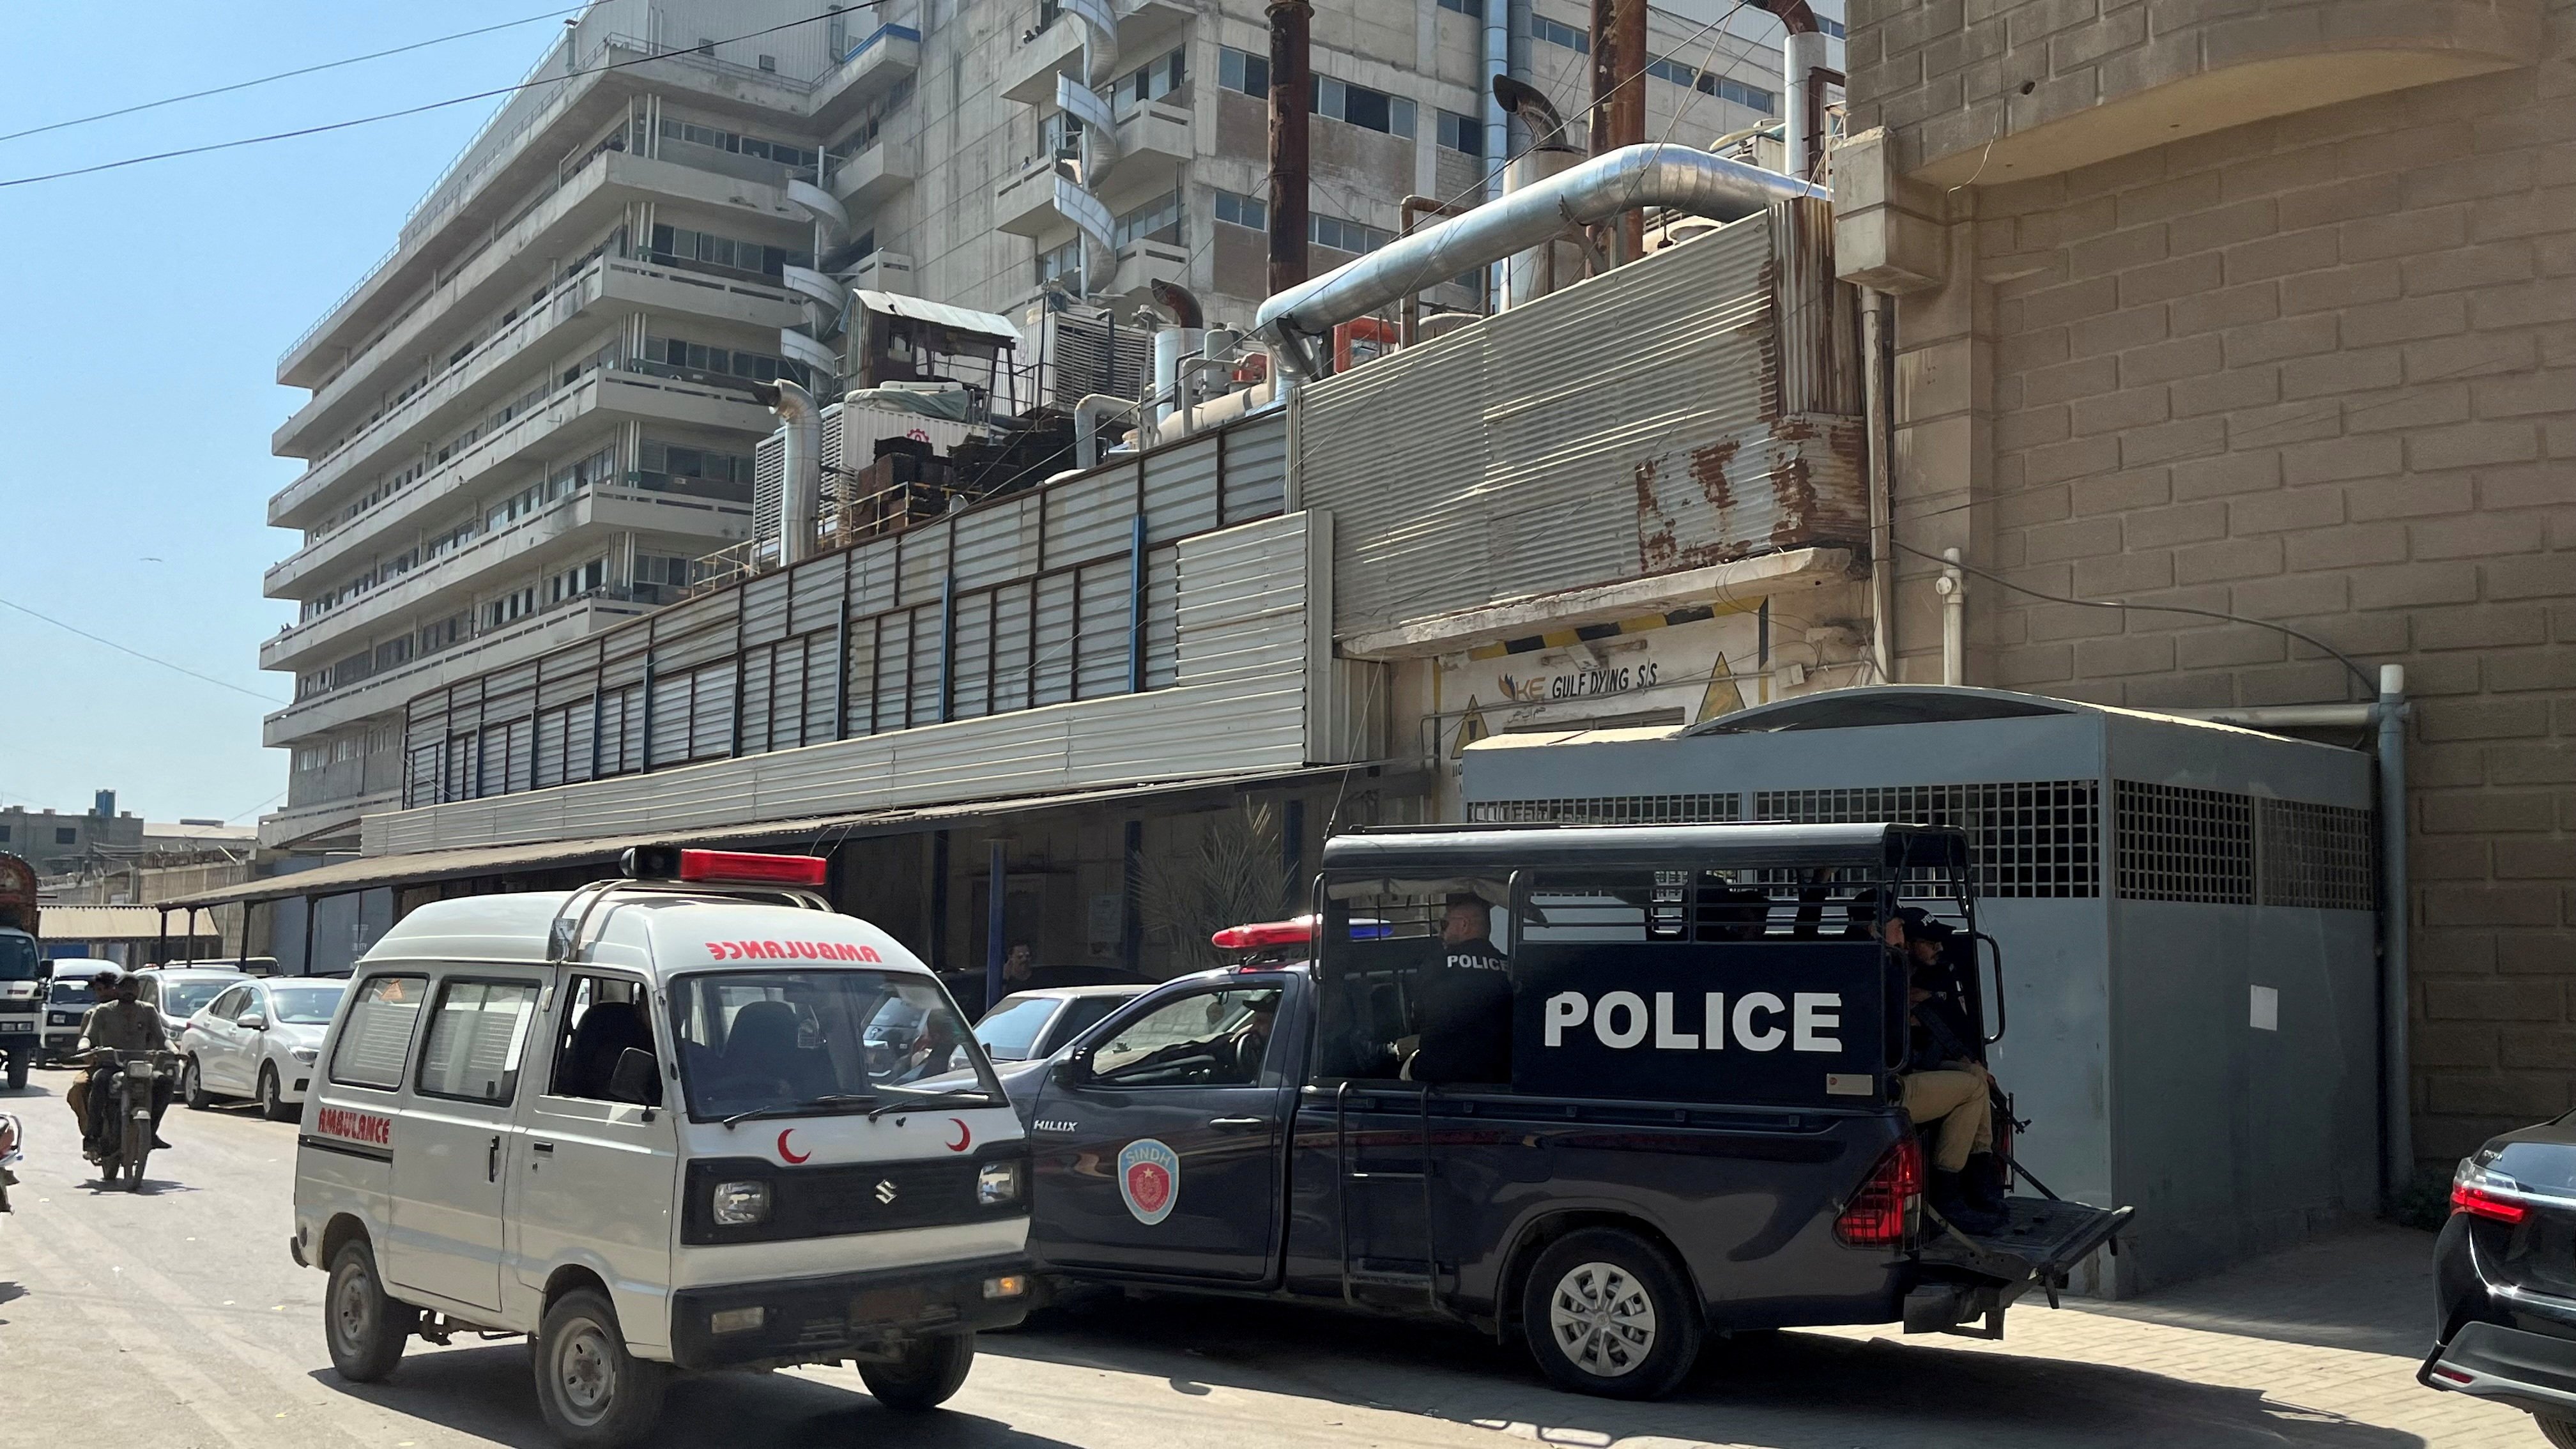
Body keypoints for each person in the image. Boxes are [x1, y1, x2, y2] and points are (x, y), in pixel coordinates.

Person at [1885, 911, 2004, 1232]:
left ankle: (1980, 1184)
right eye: (1929, 941)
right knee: (1972, 1088)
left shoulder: (1909, 972)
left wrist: (1969, 1059)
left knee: (1975, 1076)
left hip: (1910, 1070)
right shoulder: (1881, 972)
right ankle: (1947, 1196)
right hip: (1889, 1086)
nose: (1939, 947)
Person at [1406, 895, 1513, 1084]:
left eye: (1444, 924)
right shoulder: (1511, 969)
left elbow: (1418, 1020)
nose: (1440, 932)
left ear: (1464, 925)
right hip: (1498, 1080)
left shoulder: (1434, 966)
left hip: (1437, 1081)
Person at [68, 971, 174, 1159]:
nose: (129, 991)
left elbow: (162, 1038)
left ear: (138, 990)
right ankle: (92, 1136)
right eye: (124, 987)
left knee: (164, 1083)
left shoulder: (148, 1010)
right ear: (117, 990)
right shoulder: (103, 1011)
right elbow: (87, 1036)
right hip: (111, 1065)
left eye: (132, 987)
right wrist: (84, 1048)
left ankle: (151, 1131)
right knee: (99, 1081)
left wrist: (175, 1051)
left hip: (140, 1066)